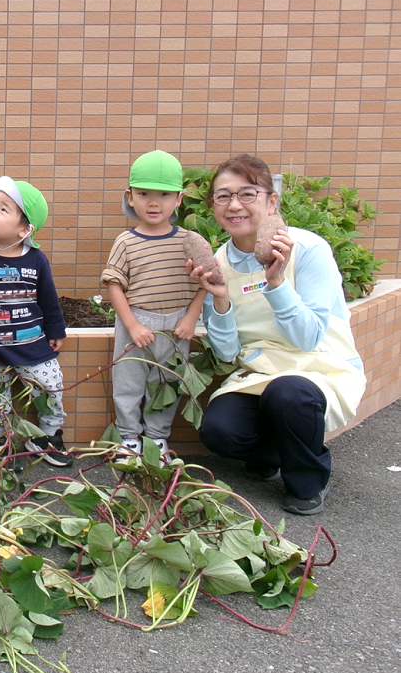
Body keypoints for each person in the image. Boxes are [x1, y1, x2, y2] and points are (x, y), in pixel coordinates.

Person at [190, 154, 365, 515]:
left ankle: (308, 480)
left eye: (247, 194)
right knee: (218, 431)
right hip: (260, 372)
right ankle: (274, 452)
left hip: (318, 369)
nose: (234, 205)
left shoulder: (308, 250)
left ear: (272, 201)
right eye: (223, 196)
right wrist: (219, 300)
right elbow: (226, 353)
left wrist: (277, 283)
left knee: (289, 394)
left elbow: (308, 339)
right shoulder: (218, 264)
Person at [0, 176, 71, 467]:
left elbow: (49, 299)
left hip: (32, 344)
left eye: (3, 209)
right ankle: (1, 443)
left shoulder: (36, 260)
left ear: (25, 229)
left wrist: (56, 330)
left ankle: (47, 435)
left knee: (51, 386)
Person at [101, 150, 205, 460]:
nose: (154, 202)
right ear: (130, 197)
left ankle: (158, 439)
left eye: (164, 194)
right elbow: (113, 284)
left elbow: (205, 284)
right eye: (144, 193)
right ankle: (129, 437)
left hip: (176, 325)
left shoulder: (189, 240)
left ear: (179, 199)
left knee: (167, 381)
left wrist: (191, 318)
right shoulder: (126, 241)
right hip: (135, 322)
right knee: (128, 381)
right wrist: (132, 324)